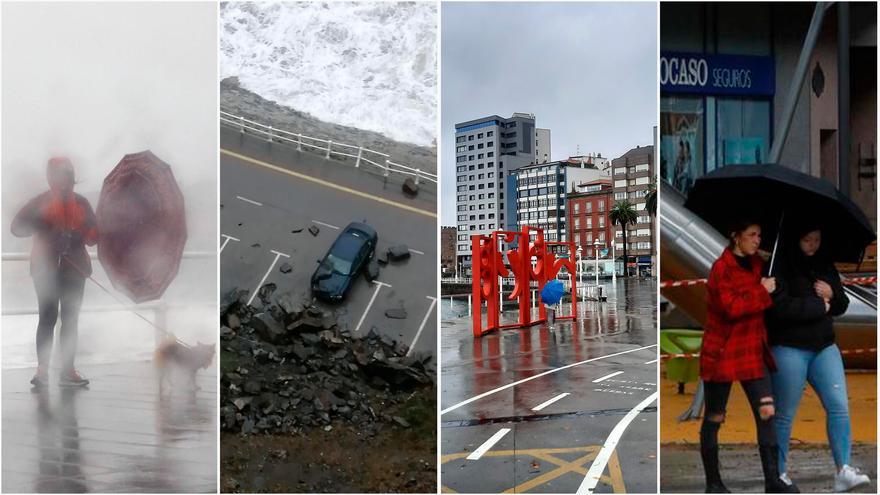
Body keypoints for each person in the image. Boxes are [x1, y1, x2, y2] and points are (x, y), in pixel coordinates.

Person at [767, 224, 870, 492]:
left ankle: (843, 468)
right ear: (795, 239)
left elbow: (841, 304)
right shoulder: (779, 266)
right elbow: (778, 308)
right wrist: (818, 305)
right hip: (789, 346)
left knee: (839, 406)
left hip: (824, 345)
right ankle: (778, 473)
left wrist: (832, 295)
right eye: (807, 240)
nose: (813, 244)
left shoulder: (824, 264)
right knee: (784, 414)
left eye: (817, 239)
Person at [699, 219, 797, 493]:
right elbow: (732, 308)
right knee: (715, 416)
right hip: (722, 351)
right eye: (752, 235)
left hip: (752, 349)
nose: (757, 240)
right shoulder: (721, 268)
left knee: (767, 412)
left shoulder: (757, 265)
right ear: (736, 236)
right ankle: (713, 483)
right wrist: (761, 290)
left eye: (759, 235)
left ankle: (772, 481)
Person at [11, 157, 97, 388]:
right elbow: (16, 228)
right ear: (51, 177)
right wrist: (42, 223)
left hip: (75, 269)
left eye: (67, 175)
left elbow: (94, 237)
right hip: (45, 269)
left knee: (70, 318)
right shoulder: (40, 202)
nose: (64, 179)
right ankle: (42, 370)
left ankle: (68, 370)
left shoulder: (82, 203)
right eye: (60, 174)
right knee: (47, 316)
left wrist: (79, 235)